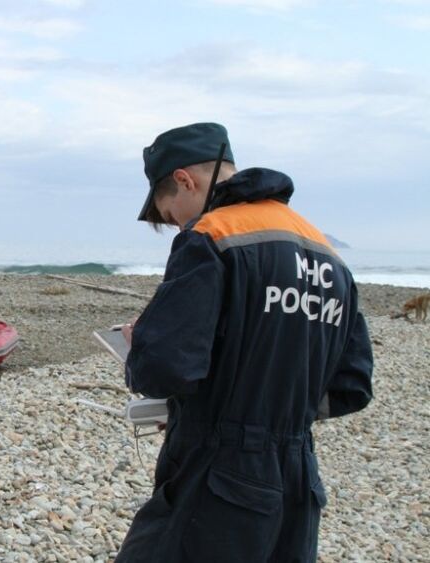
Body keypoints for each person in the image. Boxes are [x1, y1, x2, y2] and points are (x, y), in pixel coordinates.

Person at [115, 122, 374, 562]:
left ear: (184, 180)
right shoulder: (326, 252)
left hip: (217, 475)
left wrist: (143, 344)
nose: (180, 225)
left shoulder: (212, 236)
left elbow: (165, 368)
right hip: (298, 482)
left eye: (172, 214)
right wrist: (271, 408)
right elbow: (351, 385)